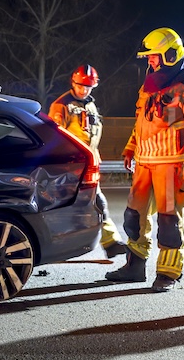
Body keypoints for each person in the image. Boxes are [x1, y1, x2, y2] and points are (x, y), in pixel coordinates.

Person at [105, 27, 184, 291]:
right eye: (149, 57)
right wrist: (131, 147)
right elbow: (142, 120)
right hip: (145, 162)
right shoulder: (150, 85)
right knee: (134, 217)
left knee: (169, 222)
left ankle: (168, 273)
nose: (150, 61)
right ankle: (135, 265)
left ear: (170, 54)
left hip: (173, 163)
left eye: (154, 56)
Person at [49, 65, 127, 258]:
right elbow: (54, 137)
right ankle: (105, 242)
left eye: (89, 87)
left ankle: (110, 242)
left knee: (94, 203)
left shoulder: (90, 105)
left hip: (87, 164)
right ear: (73, 83)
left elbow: (93, 133)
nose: (84, 90)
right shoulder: (62, 105)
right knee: (84, 204)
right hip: (70, 166)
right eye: (81, 86)